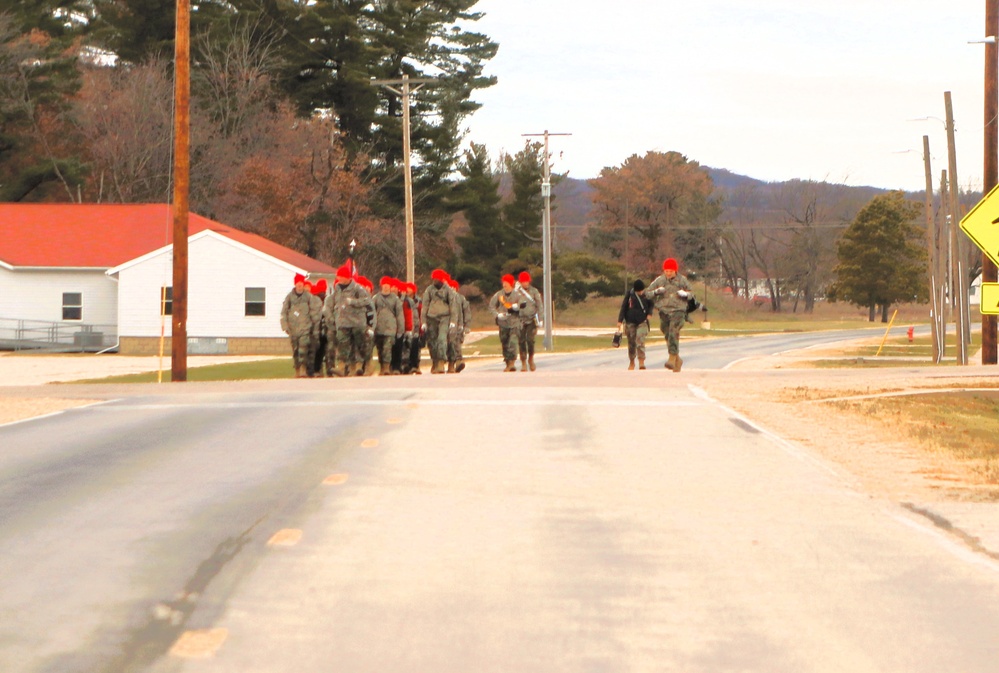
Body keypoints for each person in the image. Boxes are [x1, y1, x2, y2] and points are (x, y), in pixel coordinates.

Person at [646, 257, 693, 372]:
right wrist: (656, 292)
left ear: (675, 271)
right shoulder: (659, 280)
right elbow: (647, 293)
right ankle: (677, 359)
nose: (668, 273)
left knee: (673, 332)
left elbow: (691, 293)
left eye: (670, 271)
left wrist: (685, 294)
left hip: (678, 310)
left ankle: (671, 358)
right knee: (667, 333)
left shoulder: (682, 280)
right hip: (664, 311)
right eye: (666, 271)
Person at [325, 264, 371, 376]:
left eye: (341, 276)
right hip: (342, 322)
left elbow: (367, 300)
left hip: (356, 322)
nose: (338, 279)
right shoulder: (337, 289)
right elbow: (332, 303)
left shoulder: (357, 289)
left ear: (347, 277)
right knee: (342, 345)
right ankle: (341, 367)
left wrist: (353, 302)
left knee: (358, 344)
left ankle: (359, 366)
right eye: (338, 277)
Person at [489, 274, 535, 372]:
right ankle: (507, 362)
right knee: (504, 342)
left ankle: (512, 363)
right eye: (503, 282)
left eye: (506, 282)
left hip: (515, 322)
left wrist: (516, 307)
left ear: (511, 283)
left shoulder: (517, 295)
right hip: (503, 322)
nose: (504, 284)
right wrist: (497, 315)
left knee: (513, 341)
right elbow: (491, 306)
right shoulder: (499, 295)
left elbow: (523, 305)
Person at [280, 273, 321, 378]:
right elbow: (284, 312)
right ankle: (297, 370)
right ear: (295, 284)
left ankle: (303, 369)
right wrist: (285, 325)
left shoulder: (308, 297)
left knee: (303, 349)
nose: (300, 285)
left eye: (301, 282)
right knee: (296, 350)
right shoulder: (289, 298)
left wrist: (314, 327)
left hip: (305, 328)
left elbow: (314, 313)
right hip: (293, 329)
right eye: (298, 282)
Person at [421, 269, 458, 374]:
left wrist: (453, 321)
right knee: (432, 342)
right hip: (431, 318)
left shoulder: (448, 291)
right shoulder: (429, 290)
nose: (434, 281)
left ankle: (441, 363)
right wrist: (423, 321)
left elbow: (453, 306)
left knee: (442, 339)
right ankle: (435, 362)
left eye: (437, 279)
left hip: (444, 318)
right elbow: (425, 306)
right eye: (433, 279)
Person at [617, 279, 654, 370]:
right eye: (638, 291)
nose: (640, 292)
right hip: (630, 321)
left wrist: (649, 314)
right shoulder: (629, 294)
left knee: (640, 340)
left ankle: (641, 362)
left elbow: (651, 304)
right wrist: (620, 320)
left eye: (641, 291)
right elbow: (624, 307)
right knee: (631, 342)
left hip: (642, 321)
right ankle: (632, 362)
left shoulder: (646, 295)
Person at [373, 276, 405, 376]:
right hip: (378, 327)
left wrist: (400, 329)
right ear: (381, 286)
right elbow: (372, 312)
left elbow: (399, 315)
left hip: (390, 327)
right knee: (380, 348)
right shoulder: (376, 298)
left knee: (387, 348)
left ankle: (386, 367)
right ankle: (382, 366)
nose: (386, 287)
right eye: (384, 285)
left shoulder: (395, 299)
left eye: (388, 285)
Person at [516, 271, 543, 372]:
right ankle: (523, 362)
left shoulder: (534, 291)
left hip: (531, 320)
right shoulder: (516, 292)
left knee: (530, 341)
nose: (525, 283)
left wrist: (540, 319)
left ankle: (531, 359)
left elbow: (539, 305)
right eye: (523, 281)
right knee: (521, 341)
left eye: (527, 281)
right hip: (520, 320)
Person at [446, 278, 471, 373]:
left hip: (458, 325)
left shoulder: (461, 298)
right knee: (449, 344)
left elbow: (466, 312)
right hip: (448, 324)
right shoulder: (446, 297)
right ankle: (451, 363)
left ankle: (458, 361)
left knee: (456, 344)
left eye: (453, 287)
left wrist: (466, 325)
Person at [310, 279, 329, 377]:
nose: (322, 294)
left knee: (321, 351)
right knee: (316, 351)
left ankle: (319, 370)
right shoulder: (315, 301)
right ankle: (316, 370)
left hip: (324, 330)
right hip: (316, 330)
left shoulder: (328, 301)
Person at [403, 282, 423, 374]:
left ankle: (416, 366)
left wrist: (421, 327)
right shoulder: (404, 300)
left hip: (416, 326)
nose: (408, 290)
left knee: (416, 347)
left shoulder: (419, 301)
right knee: (407, 346)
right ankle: (407, 365)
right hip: (407, 326)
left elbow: (421, 314)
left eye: (409, 289)